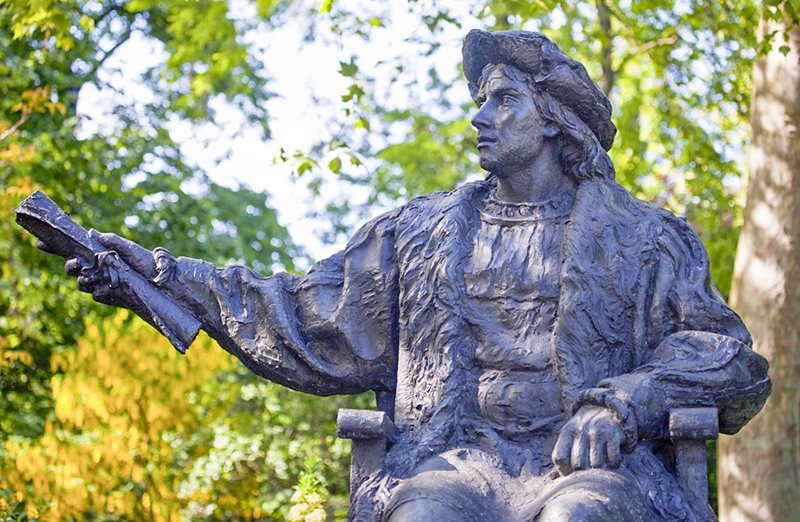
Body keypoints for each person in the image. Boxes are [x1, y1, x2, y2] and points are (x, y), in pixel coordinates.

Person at [66, 30, 770, 522]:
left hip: (590, 472)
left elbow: (726, 356)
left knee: (578, 518)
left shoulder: (643, 238)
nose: (479, 117)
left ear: (554, 120)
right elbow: (305, 313)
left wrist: (623, 401)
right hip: (454, 461)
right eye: (481, 101)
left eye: (503, 101)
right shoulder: (418, 235)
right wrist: (159, 275)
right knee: (425, 514)